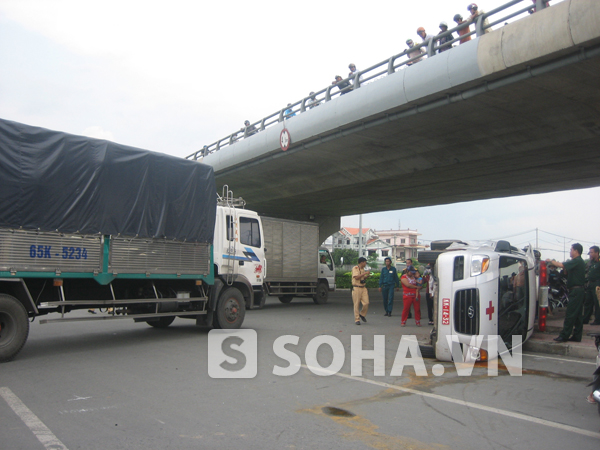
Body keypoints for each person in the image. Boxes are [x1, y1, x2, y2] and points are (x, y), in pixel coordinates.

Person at [548, 243, 586, 342]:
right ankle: (577, 336)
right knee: (577, 315)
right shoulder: (577, 262)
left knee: (570, 314)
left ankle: (564, 335)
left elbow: (561, 265)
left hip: (576, 291)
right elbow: (565, 271)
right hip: (578, 290)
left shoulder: (577, 261)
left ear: (576, 251)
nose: (570, 251)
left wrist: (550, 261)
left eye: (571, 250)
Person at [583, 246, 600, 325]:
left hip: (597, 284)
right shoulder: (591, 262)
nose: (590, 254)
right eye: (590, 252)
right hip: (590, 283)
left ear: (597, 253)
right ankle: (585, 319)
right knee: (588, 302)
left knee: (597, 303)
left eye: (592, 252)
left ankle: (598, 320)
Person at [352, 257, 371, 325]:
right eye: (365, 262)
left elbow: (362, 278)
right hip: (356, 288)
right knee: (356, 304)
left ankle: (362, 314)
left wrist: (367, 275)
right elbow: (356, 277)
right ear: (361, 262)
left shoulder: (363, 269)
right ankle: (357, 319)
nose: (365, 264)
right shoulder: (355, 268)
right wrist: (364, 273)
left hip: (363, 287)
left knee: (366, 302)